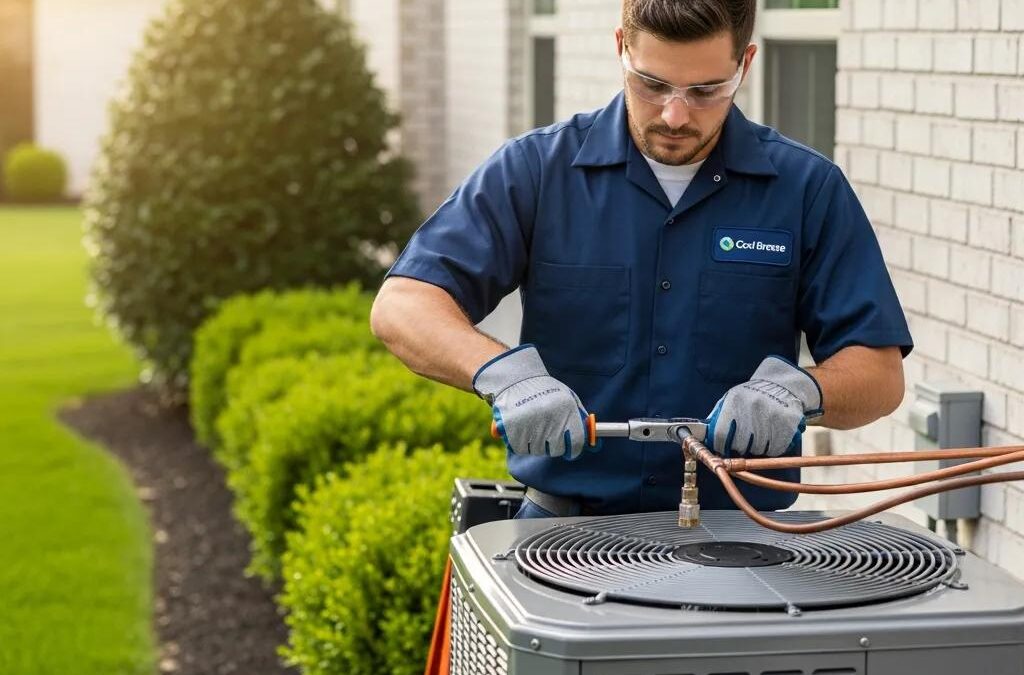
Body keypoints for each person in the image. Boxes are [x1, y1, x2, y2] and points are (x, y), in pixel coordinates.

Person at [370, 0, 912, 520]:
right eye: (652, 84)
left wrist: (801, 391)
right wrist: (502, 376)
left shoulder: (807, 190)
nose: (675, 115)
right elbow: (403, 305)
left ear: (745, 64)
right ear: (621, 48)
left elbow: (879, 376)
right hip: (561, 538)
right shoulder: (536, 170)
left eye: (705, 90)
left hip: (742, 544)